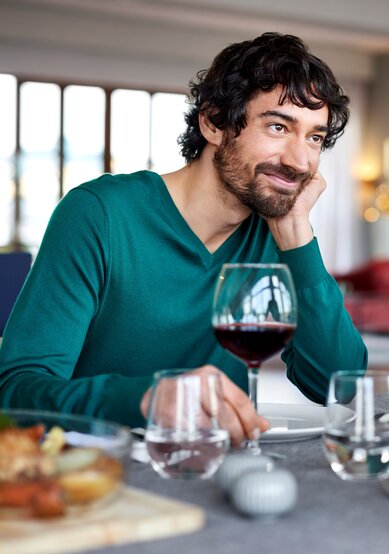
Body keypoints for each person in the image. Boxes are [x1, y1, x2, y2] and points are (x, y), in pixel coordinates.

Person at [0, 33, 368, 445]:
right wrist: (145, 399)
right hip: (98, 470)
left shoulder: (276, 231)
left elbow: (338, 384)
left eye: (314, 137)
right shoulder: (99, 214)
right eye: (278, 126)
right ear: (212, 122)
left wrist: (295, 232)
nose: (300, 161)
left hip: (218, 471)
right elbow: (15, 393)